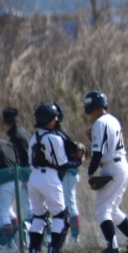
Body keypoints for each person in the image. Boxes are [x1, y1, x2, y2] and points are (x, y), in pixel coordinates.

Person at [84, 90, 128, 253]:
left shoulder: (99, 123)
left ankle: (112, 247)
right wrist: (93, 137)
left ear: (91, 107)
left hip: (112, 167)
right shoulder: (112, 120)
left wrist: (90, 172)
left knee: (102, 209)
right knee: (112, 208)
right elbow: (108, 144)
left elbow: (98, 151)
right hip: (122, 165)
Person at [27, 103, 83, 253]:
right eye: (55, 117)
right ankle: (54, 251)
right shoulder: (55, 138)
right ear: (50, 120)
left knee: (39, 216)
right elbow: (62, 163)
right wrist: (79, 161)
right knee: (61, 216)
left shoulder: (34, 137)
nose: (57, 120)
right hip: (49, 178)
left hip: (34, 178)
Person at [51, 103, 84, 242]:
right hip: (67, 173)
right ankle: (72, 237)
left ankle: (75, 239)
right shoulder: (58, 131)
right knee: (67, 205)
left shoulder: (58, 132)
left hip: (68, 173)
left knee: (70, 205)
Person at [2, 108, 33, 223]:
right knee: (35, 208)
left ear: (4, 122)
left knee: (28, 209)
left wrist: (25, 178)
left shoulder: (15, 136)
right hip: (35, 173)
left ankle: (40, 234)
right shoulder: (25, 132)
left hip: (27, 176)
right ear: (18, 120)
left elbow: (25, 157)